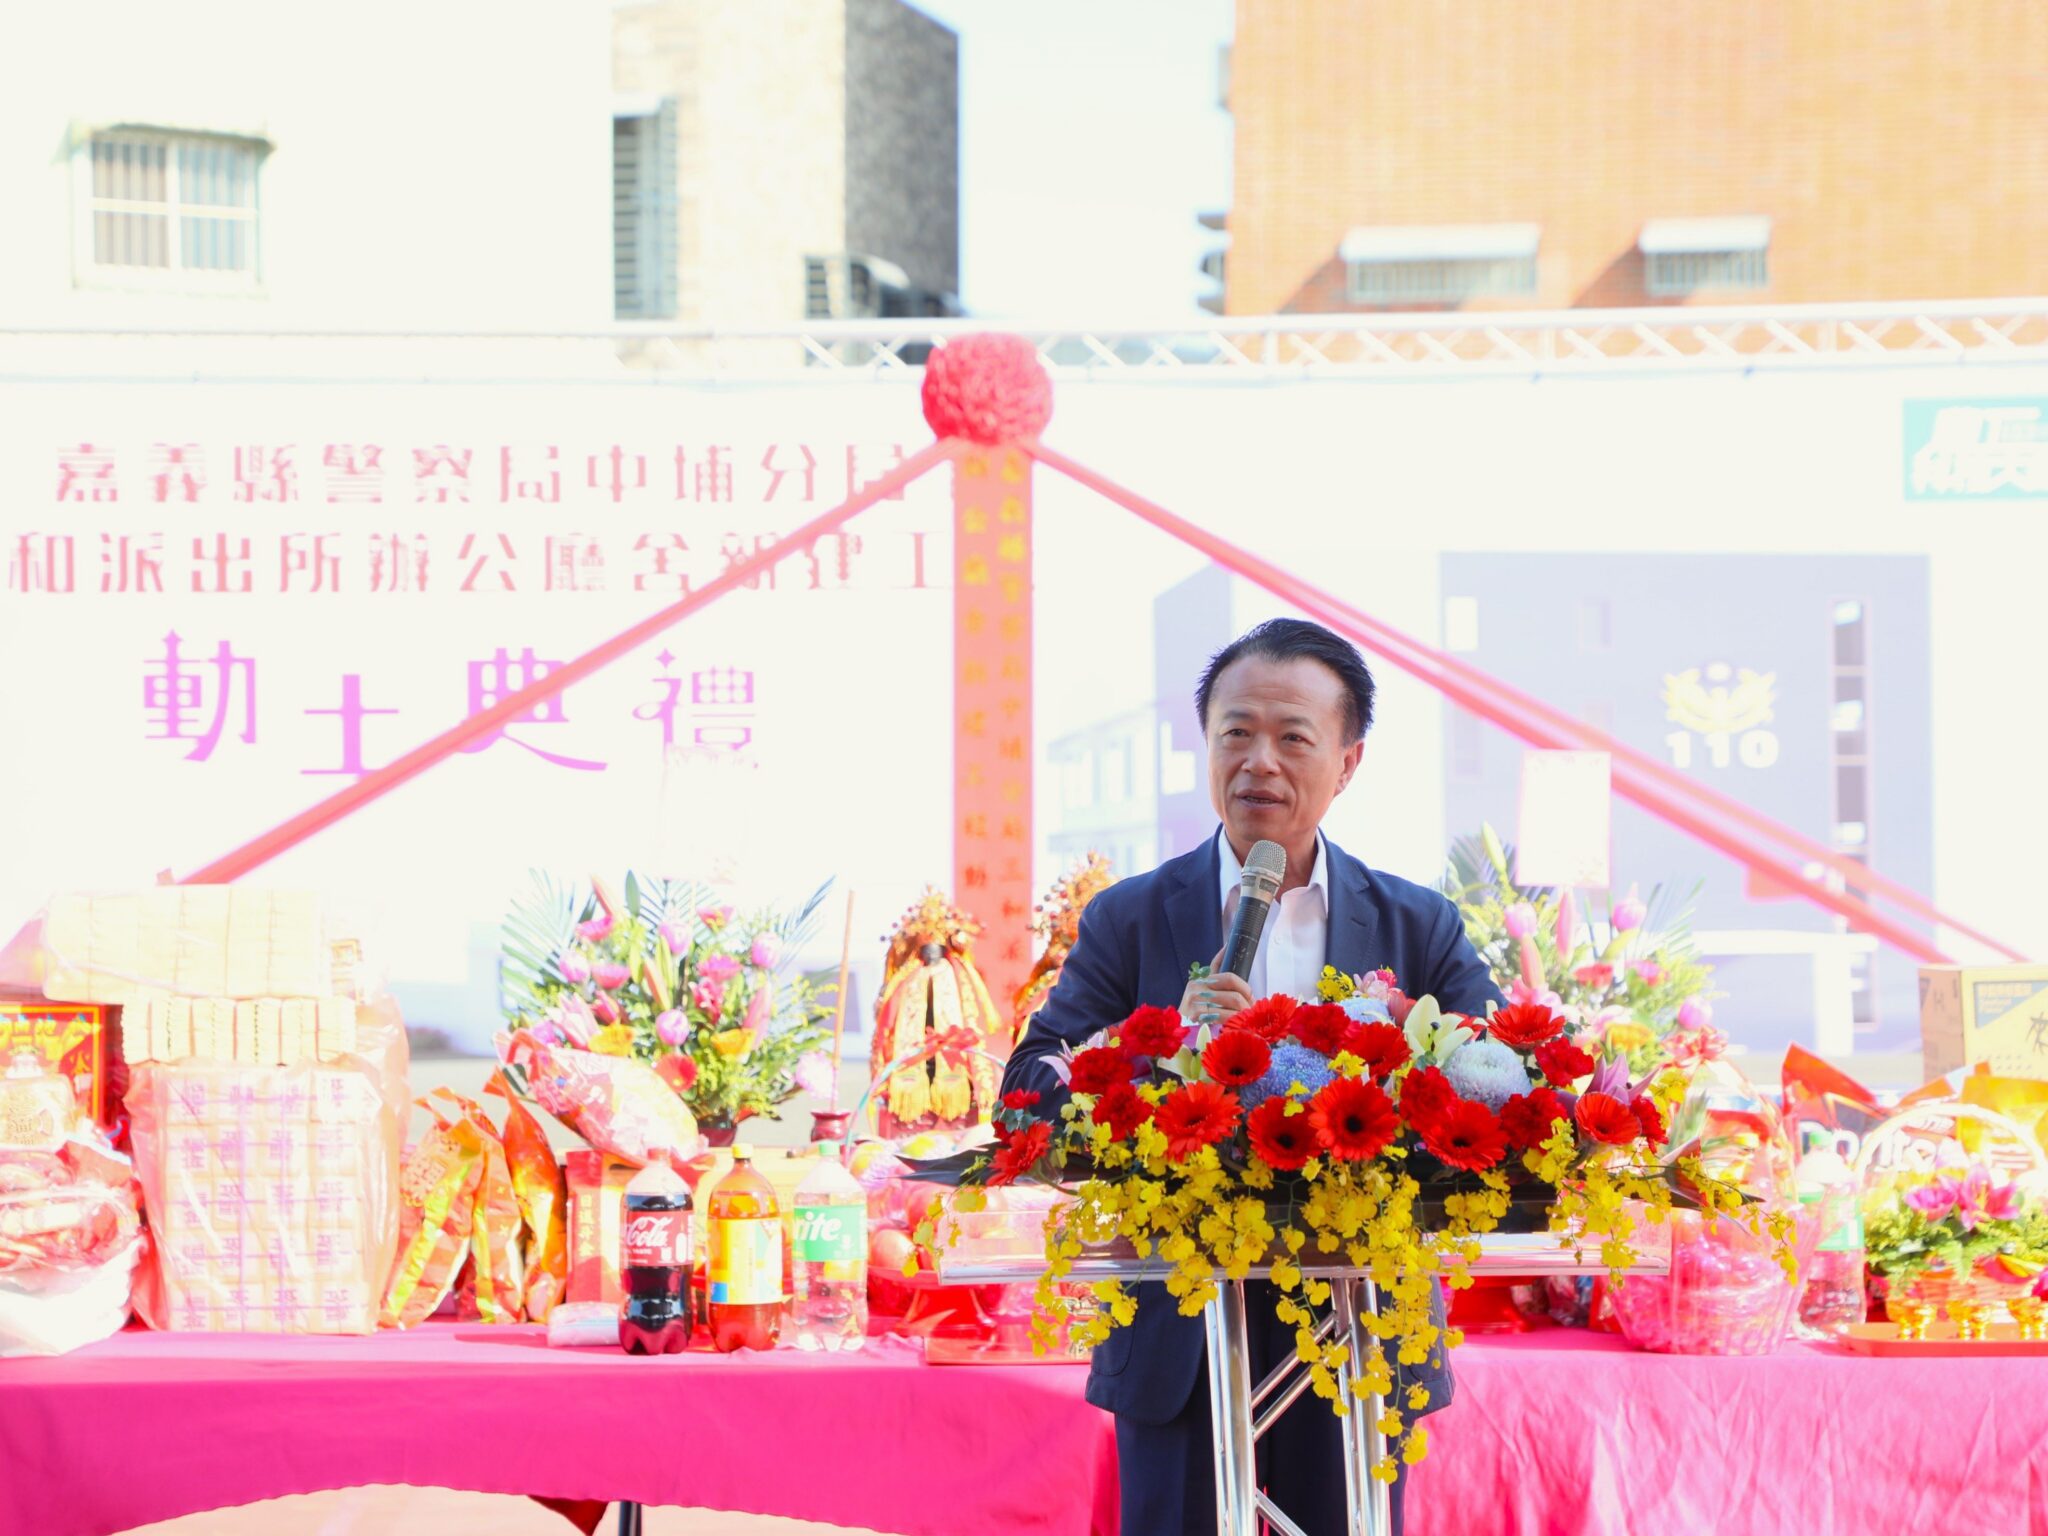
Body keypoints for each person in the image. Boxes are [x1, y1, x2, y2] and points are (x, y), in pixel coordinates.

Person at [1002, 618, 1503, 1536]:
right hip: (1181, 1322)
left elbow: (1504, 1084)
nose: (1258, 761)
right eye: (1235, 732)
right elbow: (1026, 1090)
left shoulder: (1418, 924)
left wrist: (1405, 1064)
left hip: (1361, 1318)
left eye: (1292, 737)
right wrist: (1155, 1050)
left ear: (1347, 763)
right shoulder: (1131, 918)